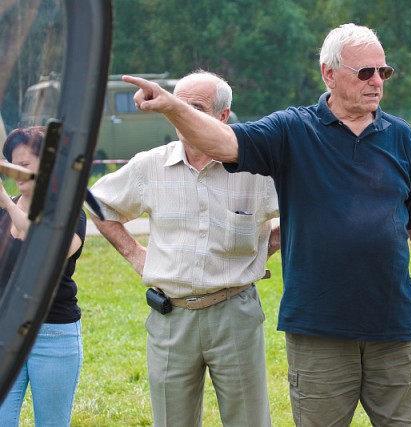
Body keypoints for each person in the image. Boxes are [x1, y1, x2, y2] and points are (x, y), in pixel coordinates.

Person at [122, 23, 411, 426]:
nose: (377, 81)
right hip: (318, 331)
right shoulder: (293, 130)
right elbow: (224, 143)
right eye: (365, 72)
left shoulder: (400, 135)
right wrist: (176, 107)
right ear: (329, 74)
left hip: (392, 327)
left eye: (384, 72)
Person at [89, 70, 279, 427]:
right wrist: (134, 253)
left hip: (234, 313)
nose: (181, 113)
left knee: (249, 421)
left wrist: (268, 244)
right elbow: (98, 204)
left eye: (195, 107)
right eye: (176, 104)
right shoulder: (151, 165)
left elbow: (304, 206)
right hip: (170, 318)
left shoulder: (256, 171)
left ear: (223, 117)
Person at [0, 126, 86, 426]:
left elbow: (43, 248)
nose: (16, 173)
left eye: (24, 166)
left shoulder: (70, 214)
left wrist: (7, 204)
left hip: (53, 334)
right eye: (11, 166)